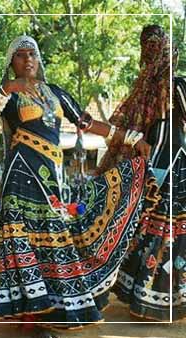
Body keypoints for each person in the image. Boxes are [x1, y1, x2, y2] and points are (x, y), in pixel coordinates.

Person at [0, 35, 151, 337]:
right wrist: (7, 89)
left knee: (54, 240)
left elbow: (86, 122)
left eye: (32, 53)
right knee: (26, 241)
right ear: (11, 63)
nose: (27, 59)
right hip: (22, 177)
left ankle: (53, 312)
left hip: (53, 180)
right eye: (19, 55)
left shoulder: (55, 93)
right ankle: (30, 314)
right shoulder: (8, 95)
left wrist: (132, 138)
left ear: (38, 58)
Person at [101, 25, 185, 321]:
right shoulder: (175, 87)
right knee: (170, 231)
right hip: (176, 166)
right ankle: (163, 299)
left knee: (149, 227)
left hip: (149, 170)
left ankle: (141, 296)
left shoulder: (143, 90)